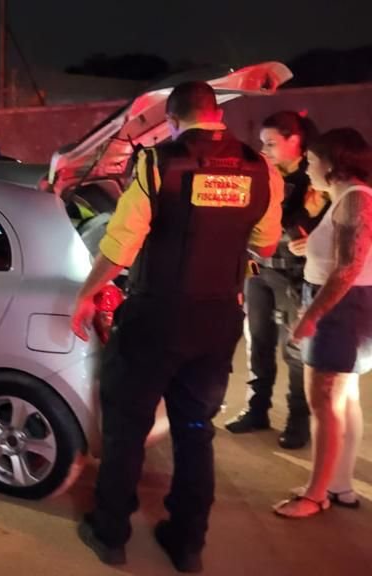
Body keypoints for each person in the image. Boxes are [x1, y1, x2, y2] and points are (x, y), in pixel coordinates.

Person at [70, 82, 282, 573]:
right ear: (215, 115)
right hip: (217, 320)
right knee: (194, 429)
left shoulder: (156, 163)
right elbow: (266, 245)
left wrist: (86, 295)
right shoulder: (259, 166)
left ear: (172, 118)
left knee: (127, 426)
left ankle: (110, 534)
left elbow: (121, 244)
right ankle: (187, 544)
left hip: (155, 318)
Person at [273, 128, 372, 517]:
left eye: (312, 161)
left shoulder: (354, 200)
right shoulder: (349, 198)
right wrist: (309, 249)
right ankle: (339, 484)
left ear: (331, 163)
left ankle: (315, 496)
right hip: (348, 305)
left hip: (341, 309)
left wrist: (310, 317)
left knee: (324, 401)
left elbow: (348, 269)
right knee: (343, 398)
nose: (308, 169)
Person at [226, 111, 329, 449]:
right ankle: (256, 410)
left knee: (295, 348)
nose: (264, 149)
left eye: (271, 143)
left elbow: (320, 226)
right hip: (258, 269)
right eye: (263, 143)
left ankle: (298, 420)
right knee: (257, 341)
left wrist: (307, 233)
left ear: (295, 142)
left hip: (296, 275)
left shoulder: (315, 176)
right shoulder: (260, 171)